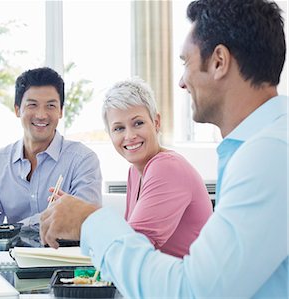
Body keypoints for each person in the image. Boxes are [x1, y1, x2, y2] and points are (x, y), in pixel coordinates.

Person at [40, 0, 287, 297]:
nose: (182, 82)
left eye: (186, 62)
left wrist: (89, 221)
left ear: (219, 61)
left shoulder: (269, 155)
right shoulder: (261, 146)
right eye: (118, 128)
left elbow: (193, 291)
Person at [0, 67, 102, 231]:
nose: (41, 115)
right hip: (11, 255)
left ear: (61, 111)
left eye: (50, 105)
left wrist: (15, 227)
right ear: (17, 110)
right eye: (32, 105)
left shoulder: (83, 160)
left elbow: (87, 221)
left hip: (62, 255)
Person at [102, 78, 212, 258]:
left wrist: (83, 219)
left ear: (156, 122)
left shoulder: (166, 167)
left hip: (189, 282)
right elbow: (127, 238)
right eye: (119, 128)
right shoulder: (135, 172)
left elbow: (131, 249)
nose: (129, 136)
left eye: (138, 123)